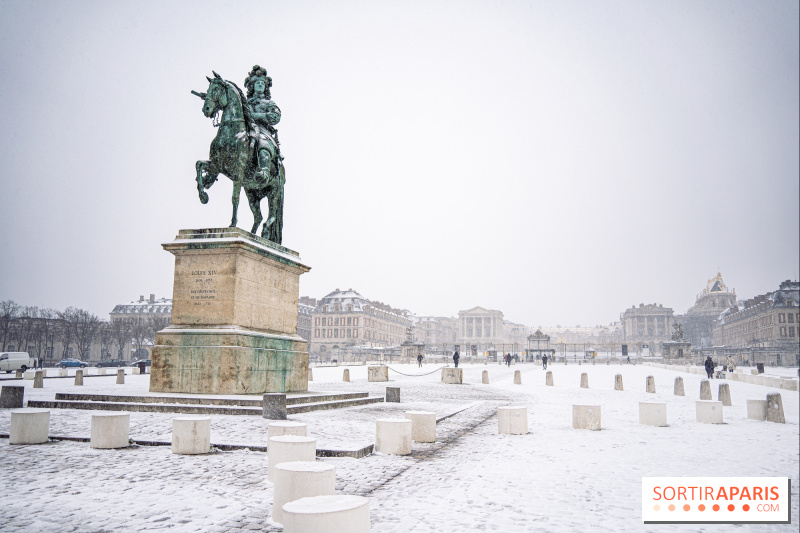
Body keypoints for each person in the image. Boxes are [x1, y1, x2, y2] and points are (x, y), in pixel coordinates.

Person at [244, 65, 282, 183]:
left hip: (263, 131)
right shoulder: (244, 103)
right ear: (252, 86)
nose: (260, 85)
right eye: (257, 83)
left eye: (262, 83)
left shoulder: (269, 103)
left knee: (262, 142)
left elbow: (275, 117)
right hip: (247, 130)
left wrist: (257, 116)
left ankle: (264, 169)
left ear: (265, 87)